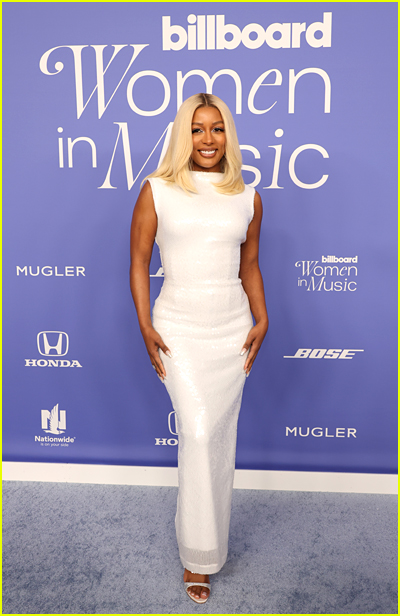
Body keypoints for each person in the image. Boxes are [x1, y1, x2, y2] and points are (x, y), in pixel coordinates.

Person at [130, 93, 268, 604]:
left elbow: (248, 265)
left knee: (217, 440)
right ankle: (196, 556)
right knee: (198, 430)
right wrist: (145, 324)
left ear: (227, 136)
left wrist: (262, 315)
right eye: (196, 129)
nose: (207, 139)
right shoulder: (157, 191)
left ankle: (206, 551)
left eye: (216, 129)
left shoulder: (247, 196)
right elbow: (139, 261)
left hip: (231, 326)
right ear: (181, 136)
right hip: (179, 327)